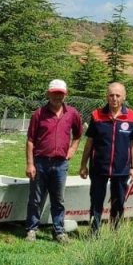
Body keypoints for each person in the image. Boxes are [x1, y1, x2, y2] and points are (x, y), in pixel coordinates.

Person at [26, 79, 83, 242]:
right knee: (36, 199)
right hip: (41, 162)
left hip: (60, 164)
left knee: (58, 199)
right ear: (48, 94)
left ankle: (59, 230)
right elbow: (30, 140)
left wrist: (72, 149)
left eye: (61, 94)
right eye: (54, 93)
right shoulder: (38, 114)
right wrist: (30, 163)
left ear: (66, 94)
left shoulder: (72, 113)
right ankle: (31, 229)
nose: (57, 97)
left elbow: (78, 134)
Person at [78, 82, 133, 234]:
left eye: (118, 95)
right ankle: (94, 233)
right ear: (107, 97)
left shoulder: (131, 116)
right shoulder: (96, 115)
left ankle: (115, 233)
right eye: (111, 95)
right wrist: (83, 164)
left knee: (118, 203)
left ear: (124, 97)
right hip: (99, 167)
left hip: (121, 168)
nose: (114, 98)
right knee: (96, 202)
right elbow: (89, 142)